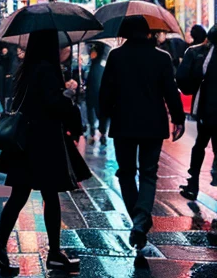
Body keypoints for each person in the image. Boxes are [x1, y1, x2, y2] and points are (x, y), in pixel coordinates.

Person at [0, 30, 91, 275]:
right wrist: (67, 94)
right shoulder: (47, 69)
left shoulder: (28, 68)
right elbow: (52, 105)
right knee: (50, 195)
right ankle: (53, 254)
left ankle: (0, 250)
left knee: (19, 196)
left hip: (26, 142)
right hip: (44, 141)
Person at [99, 15, 185, 251]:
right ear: (148, 33)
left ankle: (137, 219)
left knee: (126, 173)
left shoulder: (116, 57)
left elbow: (106, 91)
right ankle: (140, 218)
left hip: (123, 123)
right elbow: (171, 91)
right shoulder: (162, 57)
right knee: (148, 173)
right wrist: (178, 119)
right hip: (152, 124)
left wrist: (103, 116)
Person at [177, 24, 217, 198]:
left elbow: (187, 79)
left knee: (200, 144)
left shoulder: (203, 54)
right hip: (208, 109)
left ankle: (193, 183)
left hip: (207, 109)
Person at [85, 43, 108, 146]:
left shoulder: (104, 48)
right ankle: (95, 132)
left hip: (99, 79)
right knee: (92, 107)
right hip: (94, 79)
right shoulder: (91, 44)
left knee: (100, 109)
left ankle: (100, 132)